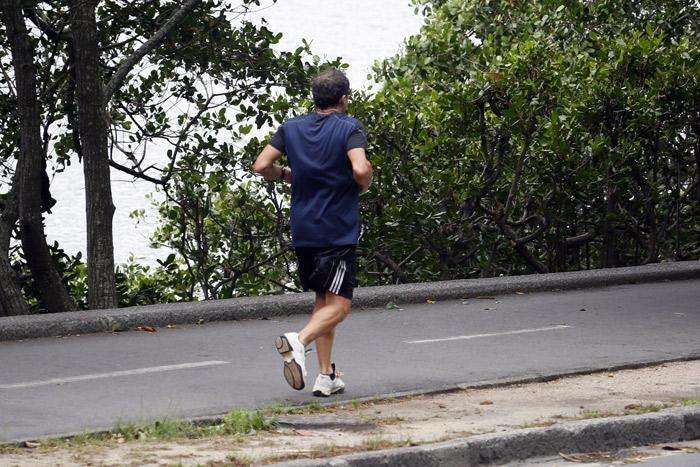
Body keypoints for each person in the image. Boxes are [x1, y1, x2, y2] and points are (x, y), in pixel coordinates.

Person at [253, 68, 372, 397]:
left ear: (315, 98)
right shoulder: (350, 127)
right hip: (336, 231)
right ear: (344, 99)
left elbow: (262, 166)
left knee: (323, 301)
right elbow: (360, 168)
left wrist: (287, 174)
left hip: (304, 229)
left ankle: (326, 376)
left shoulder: (291, 127)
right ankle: (298, 341)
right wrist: (364, 182)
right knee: (342, 306)